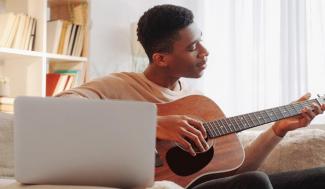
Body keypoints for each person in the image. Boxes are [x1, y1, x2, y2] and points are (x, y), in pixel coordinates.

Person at [57, 4, 325, 189]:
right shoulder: (118, 86)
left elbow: (237, 170)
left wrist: (278, 129)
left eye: (202, 41)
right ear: (161, 58)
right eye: (193, 47)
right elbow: (59, 109)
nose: (205, 52)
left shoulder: (198, 103)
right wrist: (153, 124)